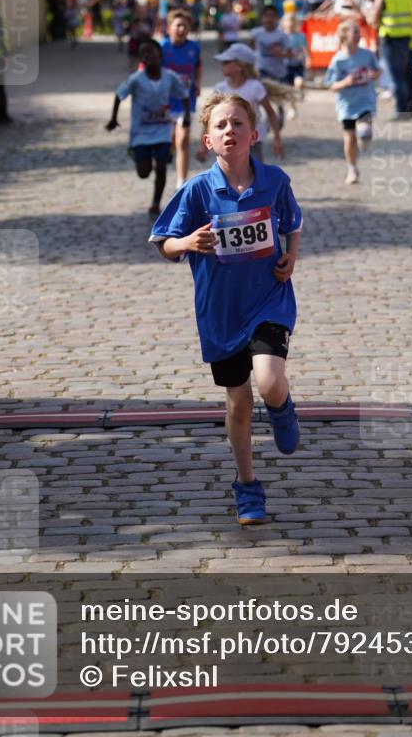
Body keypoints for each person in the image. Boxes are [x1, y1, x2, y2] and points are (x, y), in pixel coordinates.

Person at [149, 93, 302, 524]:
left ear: (254, 135)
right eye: (220, 125)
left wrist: (292, 255)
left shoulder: (275, 181)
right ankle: (247, 485)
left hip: (268, 300)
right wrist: (186, 242)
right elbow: (163, 242)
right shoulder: (197, 190)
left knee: (268, 380)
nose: (229, 130)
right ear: (208, 141)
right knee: (238, 403)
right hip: (220, 313)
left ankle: (282, 405)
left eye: (237, 123)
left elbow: (292, 223)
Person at [106, 38, 190, 218]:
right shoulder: (136, 79)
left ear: (160, 54)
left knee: (161, 167)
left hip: (162, 130)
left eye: (150, 51)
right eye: (143, 53)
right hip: (141, 132)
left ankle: (155, 204)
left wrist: (187, 115)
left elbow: (184, 95)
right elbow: (119, 95)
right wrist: (113, 119)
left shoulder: (170, 77)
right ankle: (138, 154)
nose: (147, 56)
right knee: (144, 173)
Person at [195, 42, 283, 164]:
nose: (222, 65)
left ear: (239, 66)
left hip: (252, 142)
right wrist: (203, 145)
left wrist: (277, 139)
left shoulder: (255, 87)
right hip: (227, 141)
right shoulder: (220, 88)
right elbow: (209, 119)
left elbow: (271, 113)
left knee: (256, 173)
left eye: (226, 62)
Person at [325, 20, 380, 185]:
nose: (358, 35)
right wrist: (345, 82)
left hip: (365, 100)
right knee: (349, 139)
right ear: (343, 36)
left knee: (364, 132)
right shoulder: (337, 60)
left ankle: (365, 138)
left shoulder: (367, 54)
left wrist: (373, 74)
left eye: (358, 32)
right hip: (347, 105)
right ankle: (352, 169)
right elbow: (331, 85)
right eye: (354, 32)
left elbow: (378, 71)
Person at [161, 9, 202, 189]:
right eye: (178, 25)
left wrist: (198, 83)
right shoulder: (161, 48)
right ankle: (170, 149)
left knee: (184, 138)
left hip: (186, 100)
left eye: (185, 26)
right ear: (169, 28)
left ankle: (181, 181)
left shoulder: (194, 47)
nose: (182, 29)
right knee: (171, 140)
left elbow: (198, 65)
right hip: (165, 101)